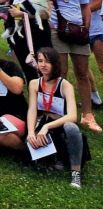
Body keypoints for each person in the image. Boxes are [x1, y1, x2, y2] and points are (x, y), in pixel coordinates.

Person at [35, 0, 98, 132]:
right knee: (60, 73)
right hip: (57, 31)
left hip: (78, 29)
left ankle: (88, 115)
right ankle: (60, 113)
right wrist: (49, 23)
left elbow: (85, 5)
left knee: (83, 73)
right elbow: (39, 6)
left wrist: (86, 26)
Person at [27, 47, 89, 188]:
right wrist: (31, 132)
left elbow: (72, 116)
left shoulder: (65, 85)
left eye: (47, 62)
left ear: (55, 64)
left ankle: (75, 172)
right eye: (40, 61)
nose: (43, 65)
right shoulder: (34, 84)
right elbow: (32, 109)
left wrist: (46, 126)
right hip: (46, 122)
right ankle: (53, 160)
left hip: (62, 124)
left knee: (71, 127)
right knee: (30, 144)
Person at [0, 0, 52, 80]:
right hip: (20, 33)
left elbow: (47, 14)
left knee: (46, 67)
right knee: (28, 68)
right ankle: (33, 95)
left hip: (39, 32)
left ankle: (48, 96)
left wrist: (24, 15)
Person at [64, 0, 103, 107]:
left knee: (101, 66)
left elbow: (100, 0)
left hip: (97, 28)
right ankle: (95, 99)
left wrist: (79, 13)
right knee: (83, 66)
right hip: (85, 28)